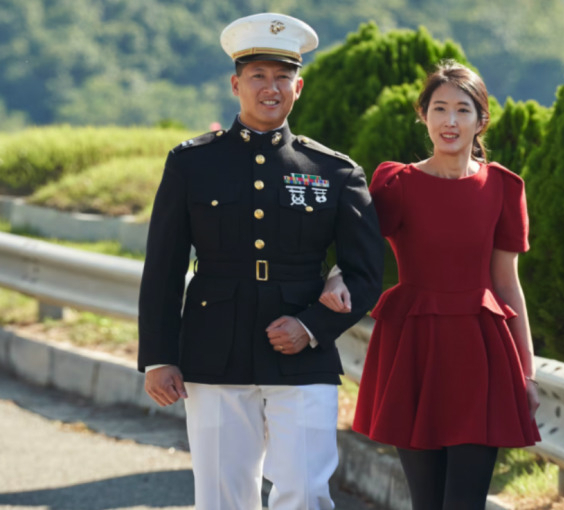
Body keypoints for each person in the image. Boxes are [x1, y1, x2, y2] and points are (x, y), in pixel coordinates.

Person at [137, 12, 384, 510]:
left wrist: (312, 326)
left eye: (282, 77)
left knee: (306, 489)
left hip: (303, 352)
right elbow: (163, 266)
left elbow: (364, 272)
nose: (270, 88)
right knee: (223, 493)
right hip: (213, 347)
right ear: (236, 84)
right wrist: (159, 356)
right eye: (258, 76)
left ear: (299, 86)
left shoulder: (334, 171)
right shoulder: (191, 164)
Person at [320, 60, 541, 510]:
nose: (450, 121)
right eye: (439, 109)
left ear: (482, 120)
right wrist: (336, 276)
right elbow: (359, 251)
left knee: (466, 502)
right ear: (423, 115)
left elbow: (507, 286)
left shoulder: (503, 187)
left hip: (482, 352)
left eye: (463, 110)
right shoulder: (397, 183)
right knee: (427, 502)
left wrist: (527, 373)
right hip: (415, 348)